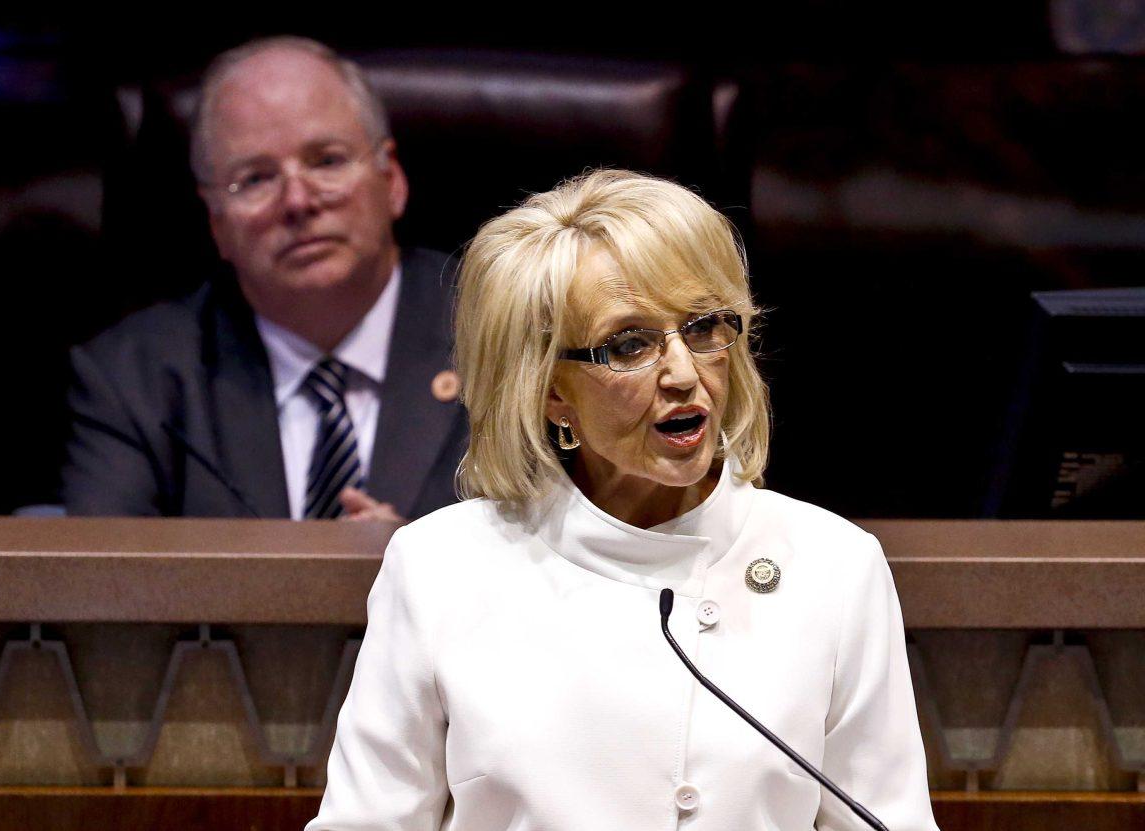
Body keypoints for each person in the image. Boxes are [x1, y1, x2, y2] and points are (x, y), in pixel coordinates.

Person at [307, 170, 938, 829]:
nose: (684, 373)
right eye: (630, 343)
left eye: (701, 327)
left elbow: (888, 818)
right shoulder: (440, 567)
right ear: (551, 390)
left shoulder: (834, 566)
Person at [61, 37, 466, 521]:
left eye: (327, 161)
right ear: (217, 224)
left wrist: (422, 574)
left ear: (392, 180)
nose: (297, 201)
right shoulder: (134, 381)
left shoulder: (515, 338)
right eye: (255, 179)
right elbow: (106, 588)